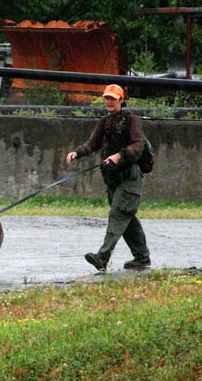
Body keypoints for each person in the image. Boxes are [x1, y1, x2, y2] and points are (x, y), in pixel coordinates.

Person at [65, 84, 151, 271]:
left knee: (118, 214)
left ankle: (102, 257)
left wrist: (119, 155)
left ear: (121, 100)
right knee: (127, 218)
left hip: (130, 177)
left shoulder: (131, 120)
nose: (109, 101)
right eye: (106, 98)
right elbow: (92, 144)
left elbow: (139, 145)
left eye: (113, 98)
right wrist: (77, 153)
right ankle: (142, 258)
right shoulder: (104, 122)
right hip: (113, 179)